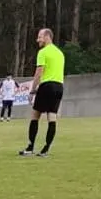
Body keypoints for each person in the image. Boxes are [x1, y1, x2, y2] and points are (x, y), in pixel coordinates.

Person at [20, 28, 65, 157]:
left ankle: (30, 147)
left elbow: (39, 72)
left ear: (47, 37)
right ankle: (46, 149)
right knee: (52, 117)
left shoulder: (43, 52)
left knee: (35, 116)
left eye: (40, 37)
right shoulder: (60, 53)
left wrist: (33, 90)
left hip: (47, 86)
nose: (37, 39)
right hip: (59, 86)